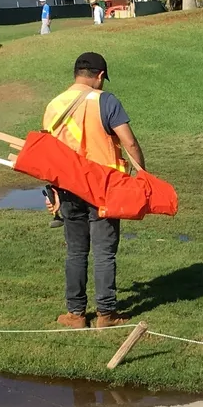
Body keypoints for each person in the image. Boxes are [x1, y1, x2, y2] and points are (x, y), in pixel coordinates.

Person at [42, 51, 146, 328]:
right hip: (103, 189)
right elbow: (130, 144)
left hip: (66, 189)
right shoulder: (106, 101)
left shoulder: (54, 105)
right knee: (104, 253)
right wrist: (142, 175)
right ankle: (106, 314)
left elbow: (48, 156)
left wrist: (51, 191)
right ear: (100, 76)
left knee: (76, 253)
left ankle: (75, 314)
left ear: (76, 74)